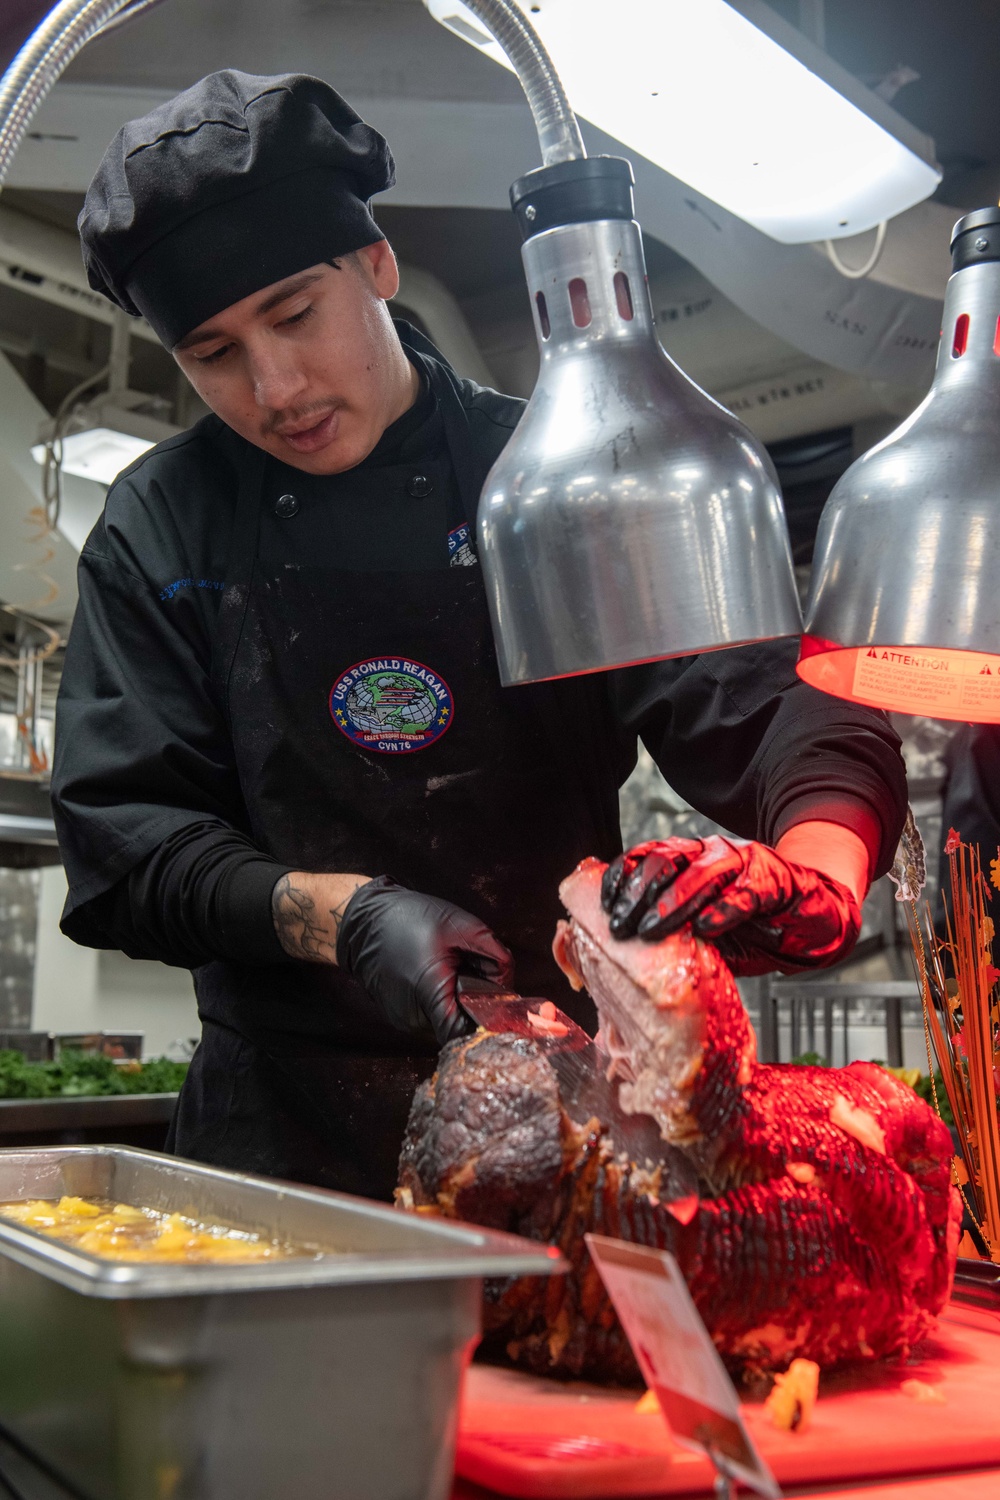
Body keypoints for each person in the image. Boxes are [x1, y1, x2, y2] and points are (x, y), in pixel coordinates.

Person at [52, 70, 908, 1201]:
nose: (275, 386)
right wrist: (347, 920)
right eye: (212, 354)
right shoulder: (162, 523)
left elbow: (767, 703)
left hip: (561, 1124)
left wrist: (817, 873)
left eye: (295, 314)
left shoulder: (561, 479)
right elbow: (129, 849)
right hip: (278, 1144)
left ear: (377, 264)